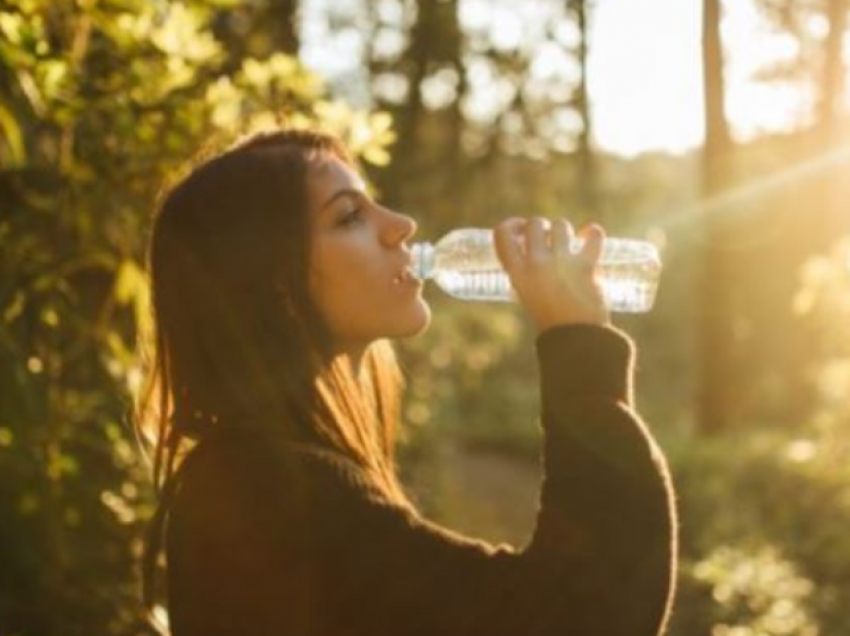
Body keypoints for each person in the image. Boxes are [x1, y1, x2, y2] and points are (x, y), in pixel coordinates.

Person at [135, 127, 678, 636]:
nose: (400, 226)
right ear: (275, 284)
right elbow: (586, 615)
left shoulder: (254, 473)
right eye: (349, 217)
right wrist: (578, 347)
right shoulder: (273, 493)